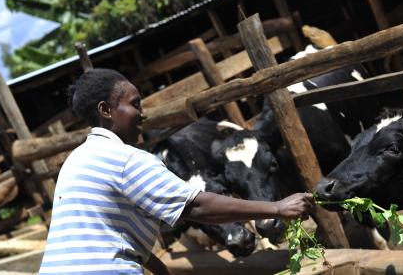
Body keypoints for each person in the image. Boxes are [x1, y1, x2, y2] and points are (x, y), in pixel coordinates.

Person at [39, 68, 315, 275]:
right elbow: (197, 207)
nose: (142, 114)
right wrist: (276, 208)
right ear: (106, 110)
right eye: (135, 104)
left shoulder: (75, 162)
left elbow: (112, 237)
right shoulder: (125, 159)